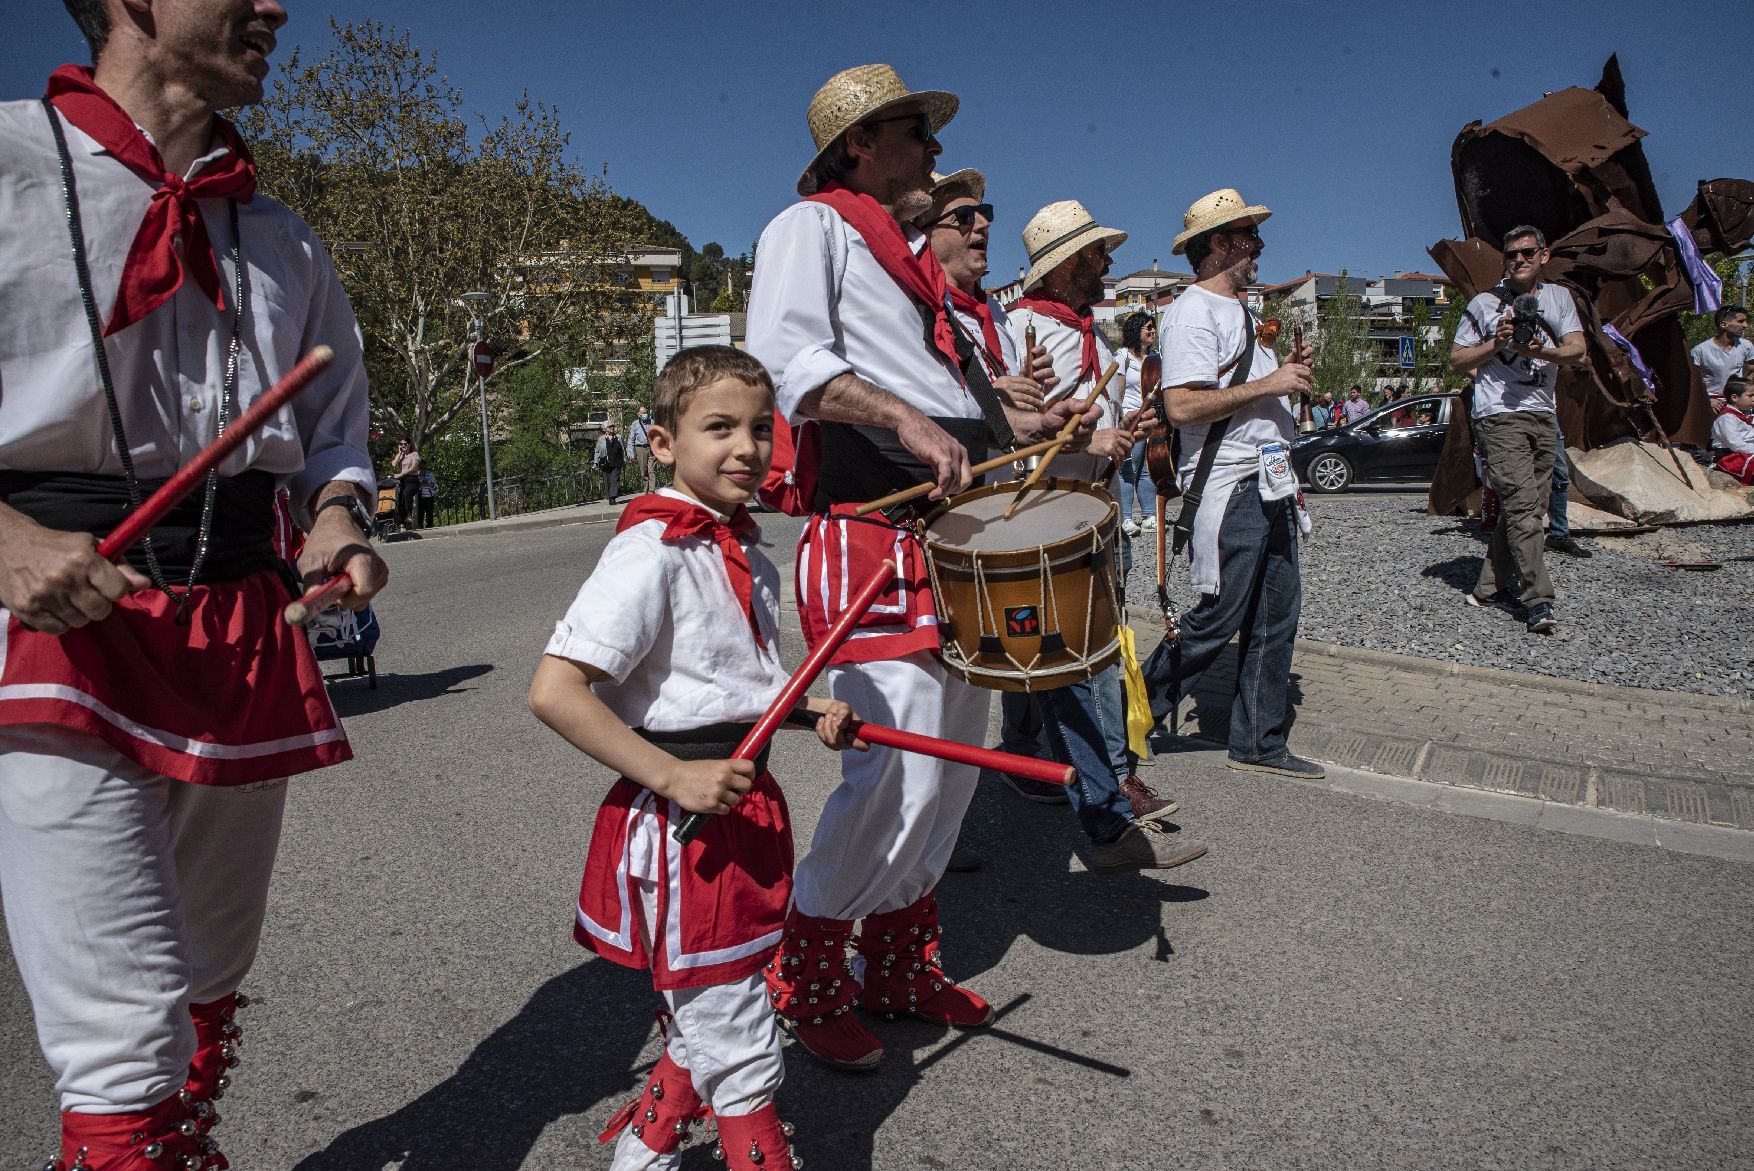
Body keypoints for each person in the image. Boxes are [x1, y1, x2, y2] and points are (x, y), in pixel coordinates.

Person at [0, 3, 390, 1166]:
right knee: (120, 1038)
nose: (275, 6)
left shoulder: (280, 233)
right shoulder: (7, 164)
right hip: (53, 625)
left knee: (209, 978)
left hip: (243, 616)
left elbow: (332, 441)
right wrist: (6, 539)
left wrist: (334, 522)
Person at [745, 64, 1095, 1072]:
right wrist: (898, 416)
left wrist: (1039, 431)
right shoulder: (805, 229)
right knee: (890, 772)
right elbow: (784, 360)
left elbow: (955, 400)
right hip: (865, 533)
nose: (935, 153)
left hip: (950, 542)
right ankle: (806, 973)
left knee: (946, 772)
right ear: (859, 144)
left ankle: (896, 960)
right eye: (916, 132)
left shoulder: (907, 267)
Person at [529, 346, 859, 1171]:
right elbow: (555, 688)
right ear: (662, 441)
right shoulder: (649, 553)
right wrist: (673, 775)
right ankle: (754, 1146)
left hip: (745, 804)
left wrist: (807, 707)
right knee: (735, 1018)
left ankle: (647, 1147)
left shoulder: (747, 552)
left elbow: (735, 685)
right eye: (719, 428)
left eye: (757, 427)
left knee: (722, 988)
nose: (746, 447)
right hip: (683, 820)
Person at [1012, 199, 1206, 864]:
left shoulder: (1085, 331)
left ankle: (1046, 766)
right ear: (1067, 265)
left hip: (1093, 506)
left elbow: (1100, 423)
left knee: (1074, 653)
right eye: (1097, 254)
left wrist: (1126, 433)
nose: (1109, 262)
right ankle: (1101, 785)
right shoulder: (1021, 331)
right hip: (1045, 514)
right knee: (1069, 658)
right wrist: (1086, 436)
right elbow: (1015, 437)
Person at [1144, 188, 1323, 779]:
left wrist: (1285, 377)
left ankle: (1260, 741)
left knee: (1277, 613)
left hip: (1267, 479)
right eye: (1249, 239)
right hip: (1231, 484)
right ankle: (1128, 713)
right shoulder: (1192, 312)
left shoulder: (1240, 312)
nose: (1260, 248)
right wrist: (1269, 386)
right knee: (1219, 617)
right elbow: (1183, 406)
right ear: (1219, 245)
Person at [1451, 225, 1587, 635]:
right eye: (1512, 255)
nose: (1519, 260)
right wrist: (1496, 344)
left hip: (1544, 413)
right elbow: (1458, 361)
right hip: (1498, 415)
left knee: (1529, 508)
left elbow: (1578, 350)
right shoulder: (1485, 303)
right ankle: (1538, 599)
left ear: (1543, 255)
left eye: (1528, 253)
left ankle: (1487, 587)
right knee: (1523, 506)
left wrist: (1537, 350)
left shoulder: (1558, 298)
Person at [1115, 311, 1160, 537]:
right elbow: (1119, 390)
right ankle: (1126, 518)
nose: (1152, 331)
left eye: (1153, 327)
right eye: (1148, 327)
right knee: (1127, 469)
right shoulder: (1122, 356)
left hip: (1150, 419)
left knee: (1146, 468)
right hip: (1131, 418)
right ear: (1136, 330)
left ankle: (1149, 514)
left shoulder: (1155, 357)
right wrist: (1120, 420)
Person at [1545, 420, 1591, 558]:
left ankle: (1558, 535)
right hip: (1511, 415)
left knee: (1559, 475)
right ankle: (1518, 537)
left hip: (1544, 413)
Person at [1690, 305, 1754, 402]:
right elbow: (1692, 382)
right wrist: (1706, 400)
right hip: (1710, 402)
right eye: (1740, 321)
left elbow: (1752, 371)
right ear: (1724, 325)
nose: (1745, 325)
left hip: (1735, 403)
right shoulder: (1700, 351)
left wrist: (1743, 392)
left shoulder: (1746, 346)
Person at [1711, 376, 1754, 484]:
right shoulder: (1727, 418)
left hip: (1746, 452)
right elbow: (1735, 444)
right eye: (1750, 395)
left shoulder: (1747, 414)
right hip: (1731, 456)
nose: (1753, 398)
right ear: (1735, 397)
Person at [596, 420, 626, 505]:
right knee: (607, 481)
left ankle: (613, 497)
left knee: (614, 480)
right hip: (606, 463)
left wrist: (625, 459)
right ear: (605, 429)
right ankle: (609, 497)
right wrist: (595, 462)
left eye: (613, 426)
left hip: (617, 462)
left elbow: (624, 448)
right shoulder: (601, 439)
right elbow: (597, 451)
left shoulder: (619, 437)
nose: (612, 428)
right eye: (610, 426)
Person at [392, 437, 421, 528]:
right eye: (401, 444)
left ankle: (409, 515)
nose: (403, 445)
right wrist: (400, 453)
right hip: (401, 481)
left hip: (412, 480)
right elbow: (394, 464)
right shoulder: (400, 455)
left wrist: (401, 474)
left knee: (406, 494)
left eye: (405, 444)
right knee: (399, 499)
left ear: (409, 445)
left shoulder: (414, 454)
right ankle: (402, 522)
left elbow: (414, 468)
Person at [629, 405, 657, 492]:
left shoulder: (652, 422)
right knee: (644, 471)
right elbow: (631, 438)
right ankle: (646, 490)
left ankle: (651, 491)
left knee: (652, 470)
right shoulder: (635, 424)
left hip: (651, 448)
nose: (646, 414)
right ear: (638, 414)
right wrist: (631, 453)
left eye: (646, 413)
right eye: (643, 413)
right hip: (640, 449)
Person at [416, 459, 438, 529]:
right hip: (419, 498)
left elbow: (435, 485)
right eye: (421, 468)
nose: (423, 470)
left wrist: (426, 485)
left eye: (425, 468)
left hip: (429, 497)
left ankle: (430, 527)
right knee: (420, 514)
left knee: (429, 514)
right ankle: (420, 527)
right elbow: (415, 486)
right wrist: (424, 484)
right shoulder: (415, 476)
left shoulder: (430, 475)